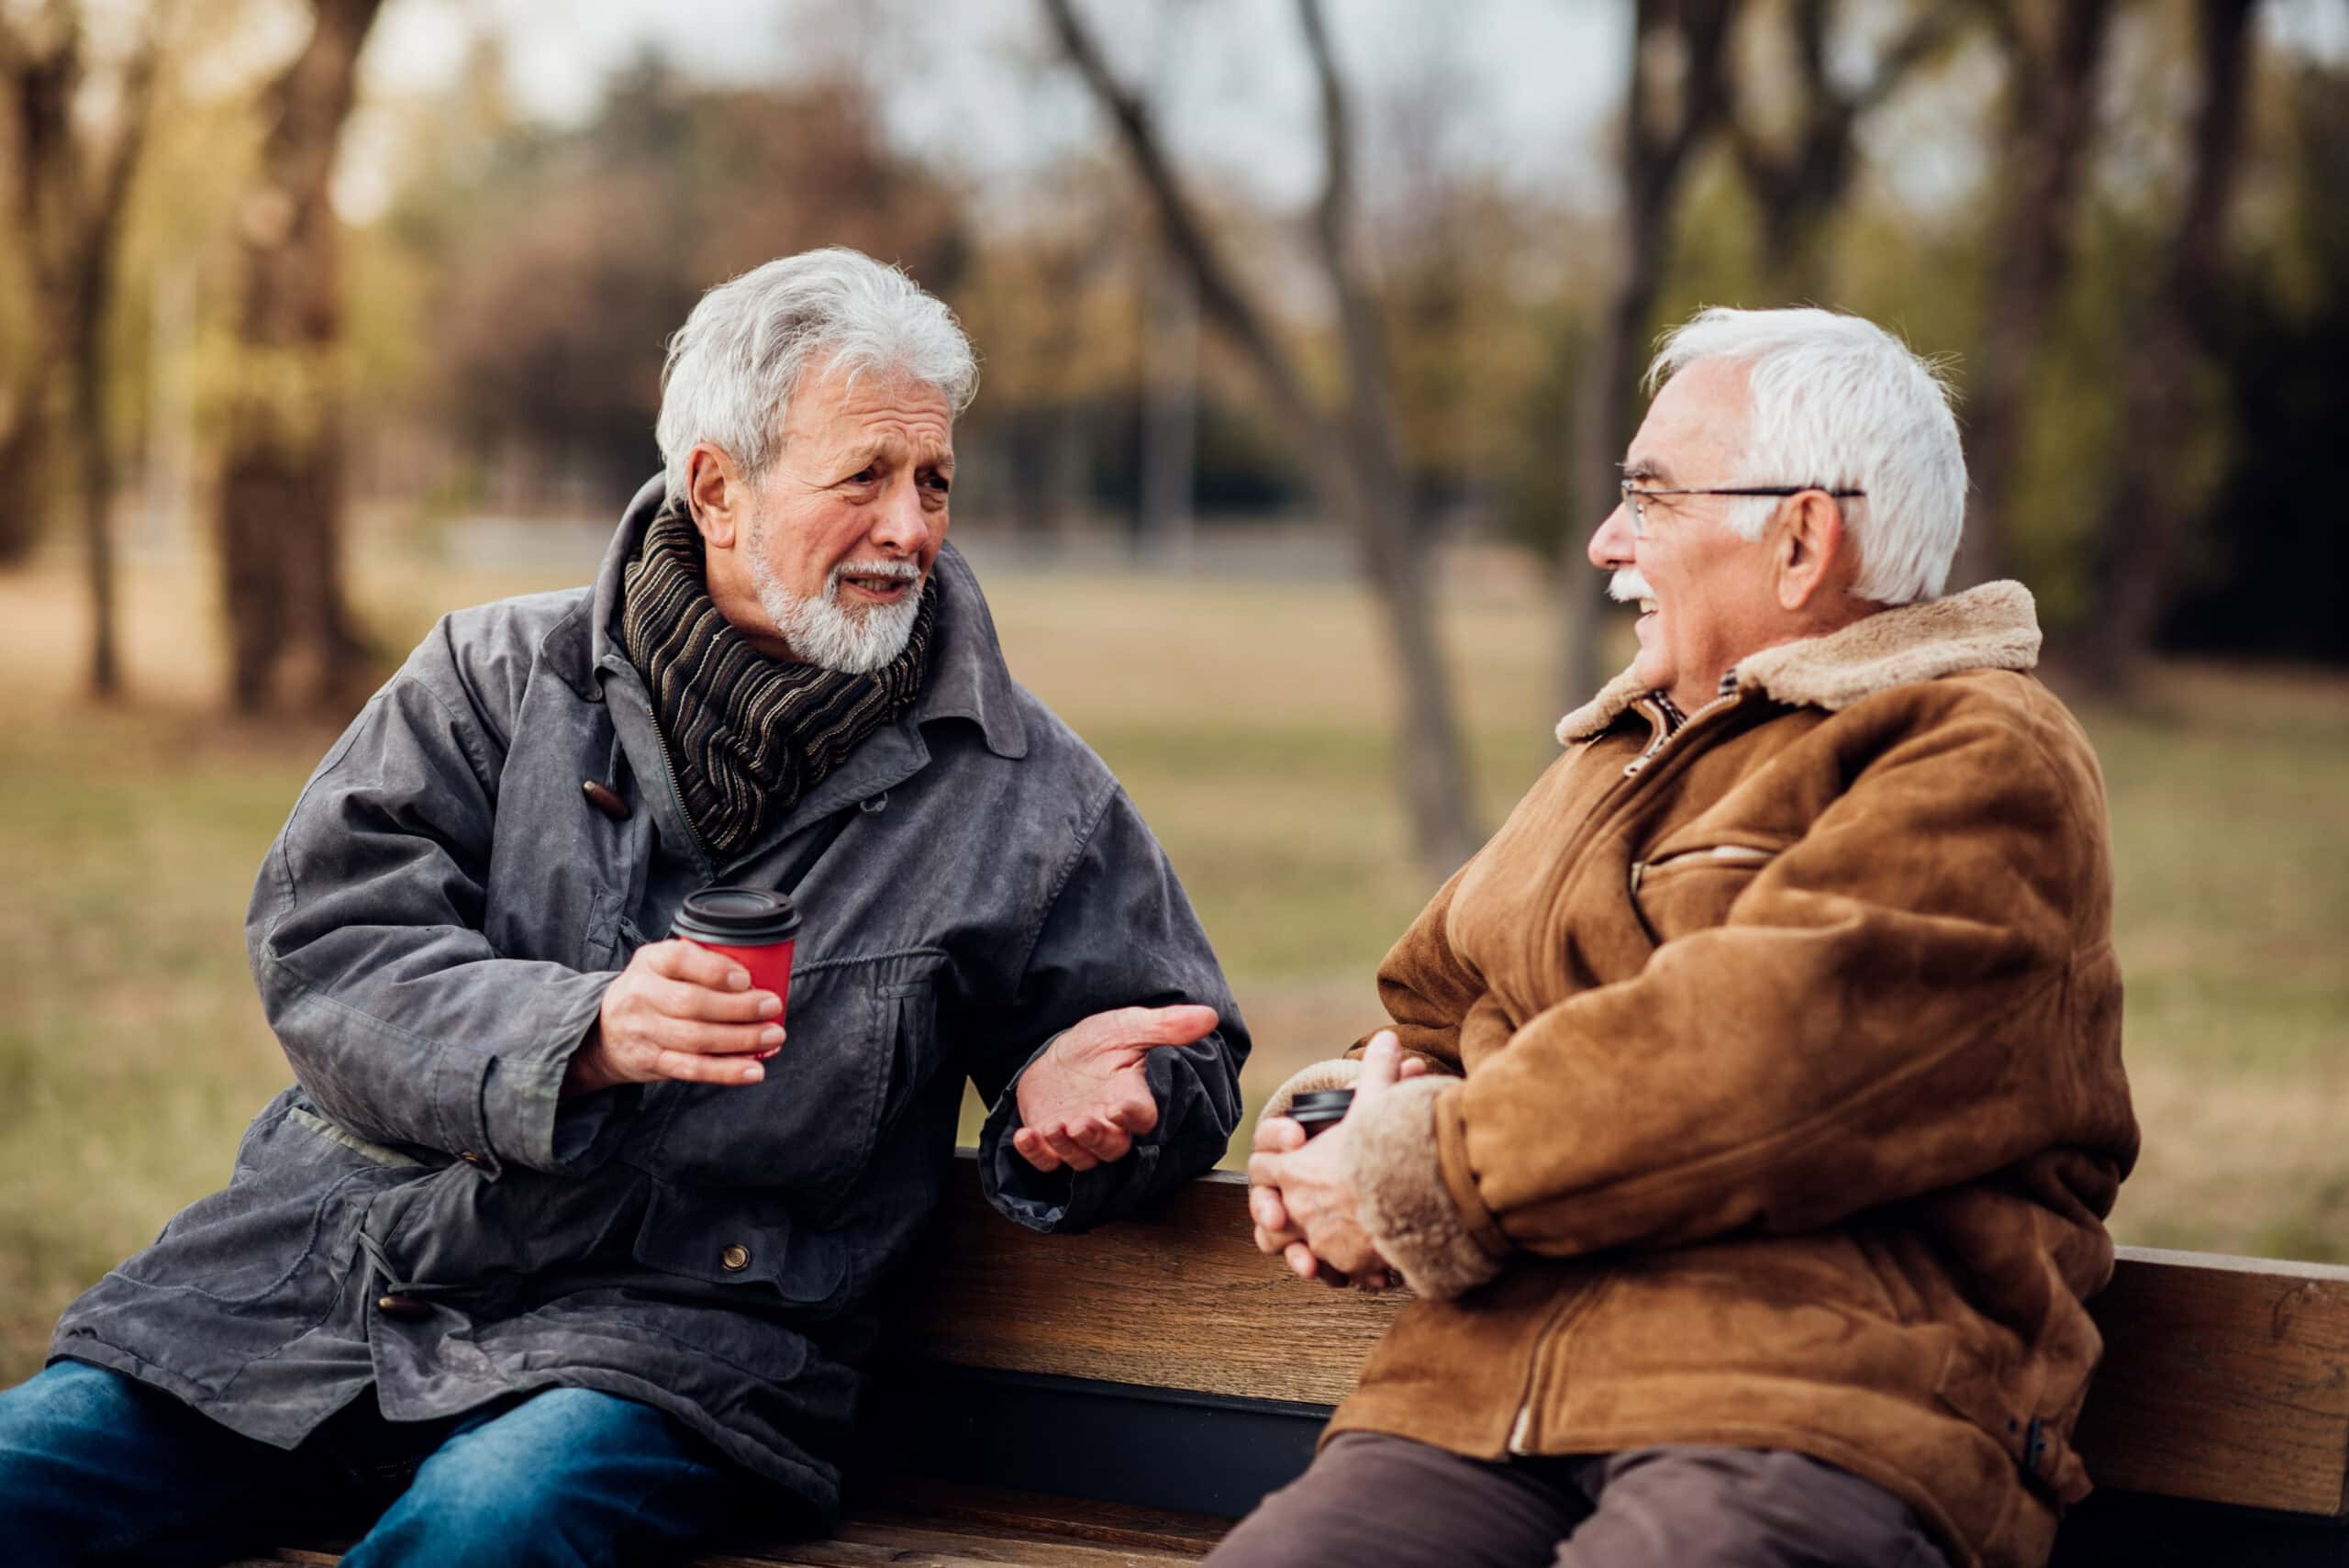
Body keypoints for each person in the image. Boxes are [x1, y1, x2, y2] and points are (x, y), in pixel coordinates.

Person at [0, 247, 1247, 1567]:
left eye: (933, 479)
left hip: (673, 1347)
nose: (914, 526)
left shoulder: (1022, 788)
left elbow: (1178, 1046)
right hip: (315, 1292)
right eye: (866, 476)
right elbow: (326, 947)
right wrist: (582, 1031)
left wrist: (1114, 1101)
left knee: (485, 1530)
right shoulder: (487, 679)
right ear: (717, 485)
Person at [1230, 306, 2137, 1568]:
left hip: (1803, 1408)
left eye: (1649, 498)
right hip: (1484, 1398)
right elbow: (1428, 1006)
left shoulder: (1980, 752)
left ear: (1803, 537)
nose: (1608, 539)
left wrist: (1416, 1170)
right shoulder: (1617, 751)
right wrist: (1338, 1122)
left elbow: (1759, 1055)